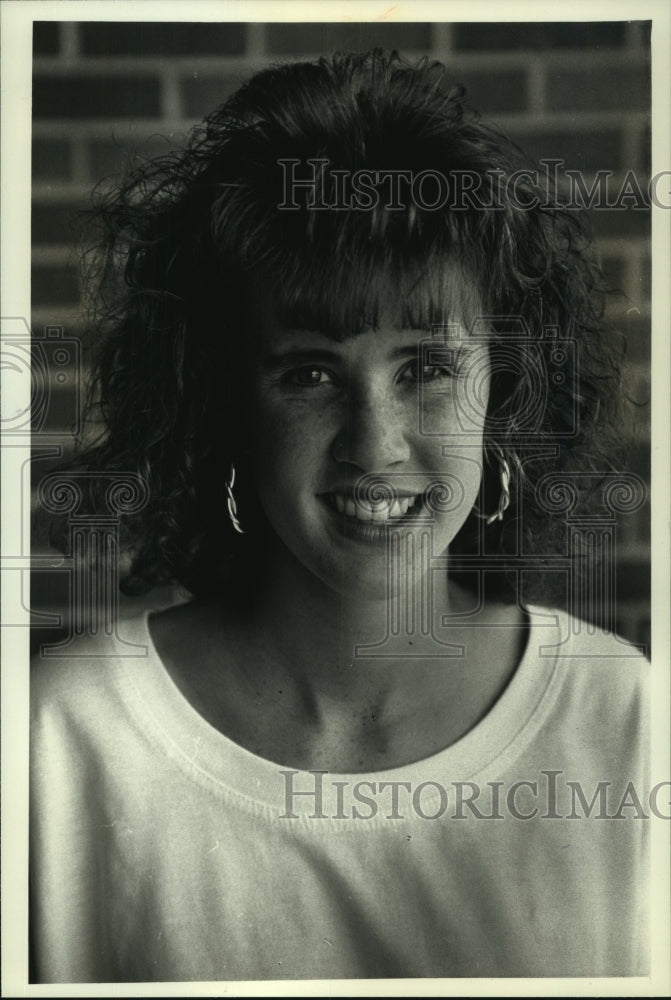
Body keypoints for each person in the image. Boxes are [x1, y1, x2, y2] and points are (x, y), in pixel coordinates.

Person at [30, 50, 649, 982]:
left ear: (504, 396)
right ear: (226, 406)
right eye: (309, 373)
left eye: (427, 369)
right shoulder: (60, 740)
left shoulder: (624, 719)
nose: (376, 443)